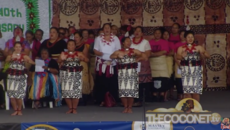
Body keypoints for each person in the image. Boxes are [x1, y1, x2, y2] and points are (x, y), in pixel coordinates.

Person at [110, 37, 145, 113]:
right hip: (122, 72)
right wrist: (117, 56)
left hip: (131, 72)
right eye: (127, 41)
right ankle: (125, 107)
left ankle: (130, 107)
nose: (128, 43)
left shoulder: (134, 51)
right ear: (123, 43)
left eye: (129, 41)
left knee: (131, 90)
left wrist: (138, 59)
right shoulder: (119, 52)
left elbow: (144, 56)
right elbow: (111, 56)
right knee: (123, 90)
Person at [176, 31, 209, 102]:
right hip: (186, 70)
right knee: (187, 90)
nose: (190, 39)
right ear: (185, 38)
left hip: (196, 70)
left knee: (196, 90)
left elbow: (208, 56)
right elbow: (177, 57)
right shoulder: (181, 48)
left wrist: (202, 53)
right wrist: (182, 56)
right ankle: (189, 107)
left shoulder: (199, 47)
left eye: (192, 37)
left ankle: (196, 107)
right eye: (188, 37)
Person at [93, 23, 121, 106]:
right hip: (102, 63)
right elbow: (95, 50)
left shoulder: (115, 38)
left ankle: (113, 100)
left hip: (112, 62)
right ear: (103, 29)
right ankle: (102, 100)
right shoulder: (98, 39)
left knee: (112, 82)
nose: (107, 30)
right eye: (105, 28)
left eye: (108, 28)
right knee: (102, 82)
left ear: (111, 29)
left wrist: (112, 58)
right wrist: (101, 54)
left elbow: (118, 50)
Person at [58, 40, 89, 114]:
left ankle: (74, 108)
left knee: (75, 92)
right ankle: (70, 108)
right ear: (67, 46)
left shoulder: (79, 53)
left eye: (72, 45)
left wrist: (82, 59)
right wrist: (61, 59)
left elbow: (87, 60)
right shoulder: (63, 53)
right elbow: (58, 61)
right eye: (69, 45)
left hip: (76, 74)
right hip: (66, 74)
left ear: (75, 46)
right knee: (66, 91)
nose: (71, 46)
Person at [5, 42, 35, 115]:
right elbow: (5, 66)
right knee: (12, 95)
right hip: (11, 77)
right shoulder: (10, 56)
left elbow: (33, 63)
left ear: (21, 48)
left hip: (21, 77)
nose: (18, 48)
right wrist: (9, 60)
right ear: (14, 48)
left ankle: (19, 110)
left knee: (19, 95)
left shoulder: (25, 56)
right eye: (16, 47)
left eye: (19, 47)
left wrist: (26, 61)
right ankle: (15, 110)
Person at [130, 26, 151, 106]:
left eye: (139, 31)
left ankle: (140, 100)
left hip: (142, 65)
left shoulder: (145, 42)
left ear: (142, 33)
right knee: (133, 81)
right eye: (136, 30)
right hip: (132, 63)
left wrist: (138, 58)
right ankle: (132, 100)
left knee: (141, 83)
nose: (137, 32)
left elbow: (148, 54)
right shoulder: (130, 41)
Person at [149, 29, 170, 102]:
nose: (157, 35)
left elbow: (164, 51)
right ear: (154, 34)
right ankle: (154, 94)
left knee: (162, 78)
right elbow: (148, 51)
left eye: (159, 33)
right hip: (152, 62)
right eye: (156, 33)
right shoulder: (150, 42)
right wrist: (154, 54)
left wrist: (154, 54)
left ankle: (161, 94)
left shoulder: (164, 42)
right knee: (154, 78)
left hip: (161, 62)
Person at [74, 32, 94, 105]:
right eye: (74, 37)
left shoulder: (84, 46)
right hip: (73, 65)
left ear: (80, 38)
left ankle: (83, 99)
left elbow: (85, 58)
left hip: (82, 64)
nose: (75, 39)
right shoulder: (72, 46)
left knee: (83, 81)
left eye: (77, 37)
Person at [162, 30, 174, 101]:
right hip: (161, 61)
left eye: (167, 34)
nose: (166, 36)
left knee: (168, 77)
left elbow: (172, 52)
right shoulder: (161, 42)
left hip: (168, 60)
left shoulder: (171, 43)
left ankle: (167, 96)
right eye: (164, 34)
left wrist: (164, 54)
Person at [174, 30, 186, 101]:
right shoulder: (177, 44)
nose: (182, 36)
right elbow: (175, 55)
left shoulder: (189, 44)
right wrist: (178, 63)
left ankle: (185, 94)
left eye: (184, 35)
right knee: (179, 79)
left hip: (187, 64)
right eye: (181, 34)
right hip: (178, 64)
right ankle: (180, 94)